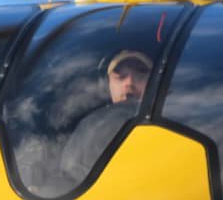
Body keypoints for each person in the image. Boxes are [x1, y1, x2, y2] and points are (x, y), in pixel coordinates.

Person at [59, 50, 153, 182]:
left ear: (154, 83)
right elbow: (68, 179)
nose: (129, 83)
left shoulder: (175, 120)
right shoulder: (89, 127)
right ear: (108, 85)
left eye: (140, 74)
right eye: (120, 77)